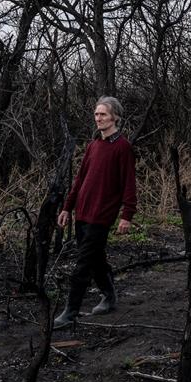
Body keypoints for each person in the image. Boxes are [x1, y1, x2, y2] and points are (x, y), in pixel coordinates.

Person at [53, 96, 137, 328]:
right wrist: (67, 207)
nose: (98, 118)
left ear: (115, 118)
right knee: (96, 259)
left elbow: (129, 185)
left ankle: (70, 312)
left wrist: (127, 215)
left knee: (82, 264)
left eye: (103, 114)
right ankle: (109, 297)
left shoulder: (123, 148)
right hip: (82, 212)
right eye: (96, 114)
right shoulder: (93, 145)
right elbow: (80, 180)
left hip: (102, 215)